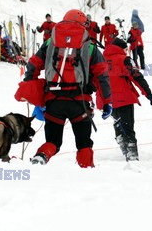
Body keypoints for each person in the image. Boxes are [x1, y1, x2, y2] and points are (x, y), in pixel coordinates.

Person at [25, 9, 113, 167]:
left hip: (53, 101)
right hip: (80, 103)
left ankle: (41, 157)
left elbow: (33, 64)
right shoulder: (90, 45)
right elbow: (102, 74)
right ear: (83, 24)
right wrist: (107, 101)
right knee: (84, 142)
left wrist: (31, 89)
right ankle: (86, 169)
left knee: (53, 141)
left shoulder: (50, 42)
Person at [101, 38, 152, 161]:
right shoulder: (124, 59)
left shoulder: (100, 59)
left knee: (118, 122)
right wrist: (148, 94)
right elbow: (137, 77)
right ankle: (132, 155)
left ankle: (123, 147)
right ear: (121, 48)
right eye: (125, 49)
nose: (126, 51)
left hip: (107, 99)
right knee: (128, 126)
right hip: (123, 98)